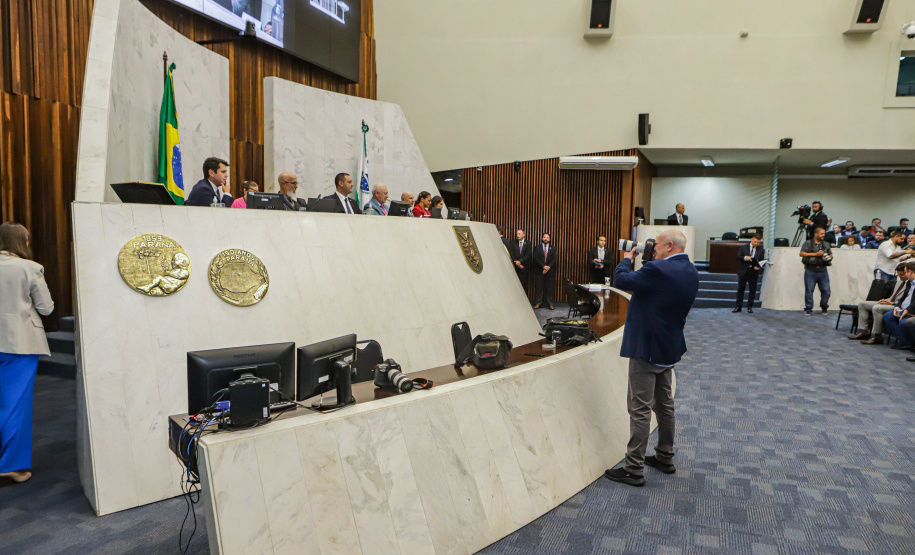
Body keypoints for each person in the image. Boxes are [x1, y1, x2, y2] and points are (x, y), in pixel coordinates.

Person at [604, 230, 699, 487]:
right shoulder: (690, 270)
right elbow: (656, 292)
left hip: (646, 348)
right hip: (668, 348)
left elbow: (622, 280)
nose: (652, 248)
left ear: (669, 246)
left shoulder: (657, 271)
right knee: (665, 405)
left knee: (640, 408)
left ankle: (633, 468)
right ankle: (665, 456)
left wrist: (627, 257)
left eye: (656, 244)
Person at [0, 222, 54, 484]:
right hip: (18, 343)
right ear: (22, 241)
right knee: (15, 404)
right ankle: (11, 465)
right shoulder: (30, 268)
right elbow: (46, 308)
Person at [849, 264, 910, 344]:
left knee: (877, 308)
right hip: (890, 302)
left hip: (897, 306)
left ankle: (877, 335)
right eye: (899, 275)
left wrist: (891, 303)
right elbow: (893, 296)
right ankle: (864, 331)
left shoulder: (910, 284)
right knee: (862, 304)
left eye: (902, 275)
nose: (900, 277)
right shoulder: (899, 283)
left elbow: (906, 301)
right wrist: (885, 300)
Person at [881, 263, 915, 350]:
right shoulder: (909, 283)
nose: (905, 274)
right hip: (902, 309)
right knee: (887, 317)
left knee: (903, 322)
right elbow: (902, 298)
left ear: (910, 272)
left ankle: (908, 342)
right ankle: (906, 341)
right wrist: (897, 306)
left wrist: (907, 310)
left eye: (906, 272)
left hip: (911, 310)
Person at [799, 227, 832, 316]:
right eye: (821, 234)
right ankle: (808, 308)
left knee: (826, 291)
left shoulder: (825, 244)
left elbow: (831, 255)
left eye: (824, 234)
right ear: (816, 234)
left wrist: (827, 257)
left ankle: (824, 306)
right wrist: (816, 254)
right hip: (810, 270)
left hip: (823, 270)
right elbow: (801, 253)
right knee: (809, 291)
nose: (823, 235)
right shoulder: (808, 243)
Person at [733, 234, 764, 313]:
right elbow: (738, 257)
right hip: (744, 271)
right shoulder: (743, 247)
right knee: (741, 289)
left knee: (752, 290)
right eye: (755, 242)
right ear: (751, 239)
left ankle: (750, 307)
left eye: (758, 242)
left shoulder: (761, 249)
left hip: (754, 272)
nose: (756, 243)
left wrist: (759, 266)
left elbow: (761, 260)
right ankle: (738, 306)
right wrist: (745, 258)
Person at [533, 233, 556, 310]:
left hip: (550, 271)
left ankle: (551, 304)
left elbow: (554, 259)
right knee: (539, 288)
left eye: (547, 237)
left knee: (550, 288)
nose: (546, 239)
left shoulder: (553, 248)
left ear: (549, 239)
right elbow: (536, 258)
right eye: (544, 237)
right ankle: (538, 303)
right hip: (539, 271)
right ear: (542, 238)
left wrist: (548, 267)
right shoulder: (537, 247)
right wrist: (543, 266)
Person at [512, 229, 532, 294]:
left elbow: (528, 254)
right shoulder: (513, 242)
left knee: (523, 285)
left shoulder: (528, 243)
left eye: (519, 234)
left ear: (524, 234)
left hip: (524, 267)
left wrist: (520, 261)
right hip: (515, 267)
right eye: (517, 234)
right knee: (514, 285)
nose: (517, 235)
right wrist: (517, 263)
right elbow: (511, 253)